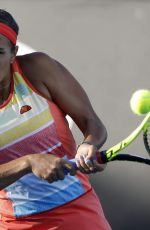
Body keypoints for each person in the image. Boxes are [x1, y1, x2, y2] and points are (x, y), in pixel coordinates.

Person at [0, 9, 111, 230]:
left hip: (78, 210)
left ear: (13, 53)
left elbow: (91, 121)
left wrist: (88, 146)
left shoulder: (38, 69)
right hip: (17, 223)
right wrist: (29, 163)